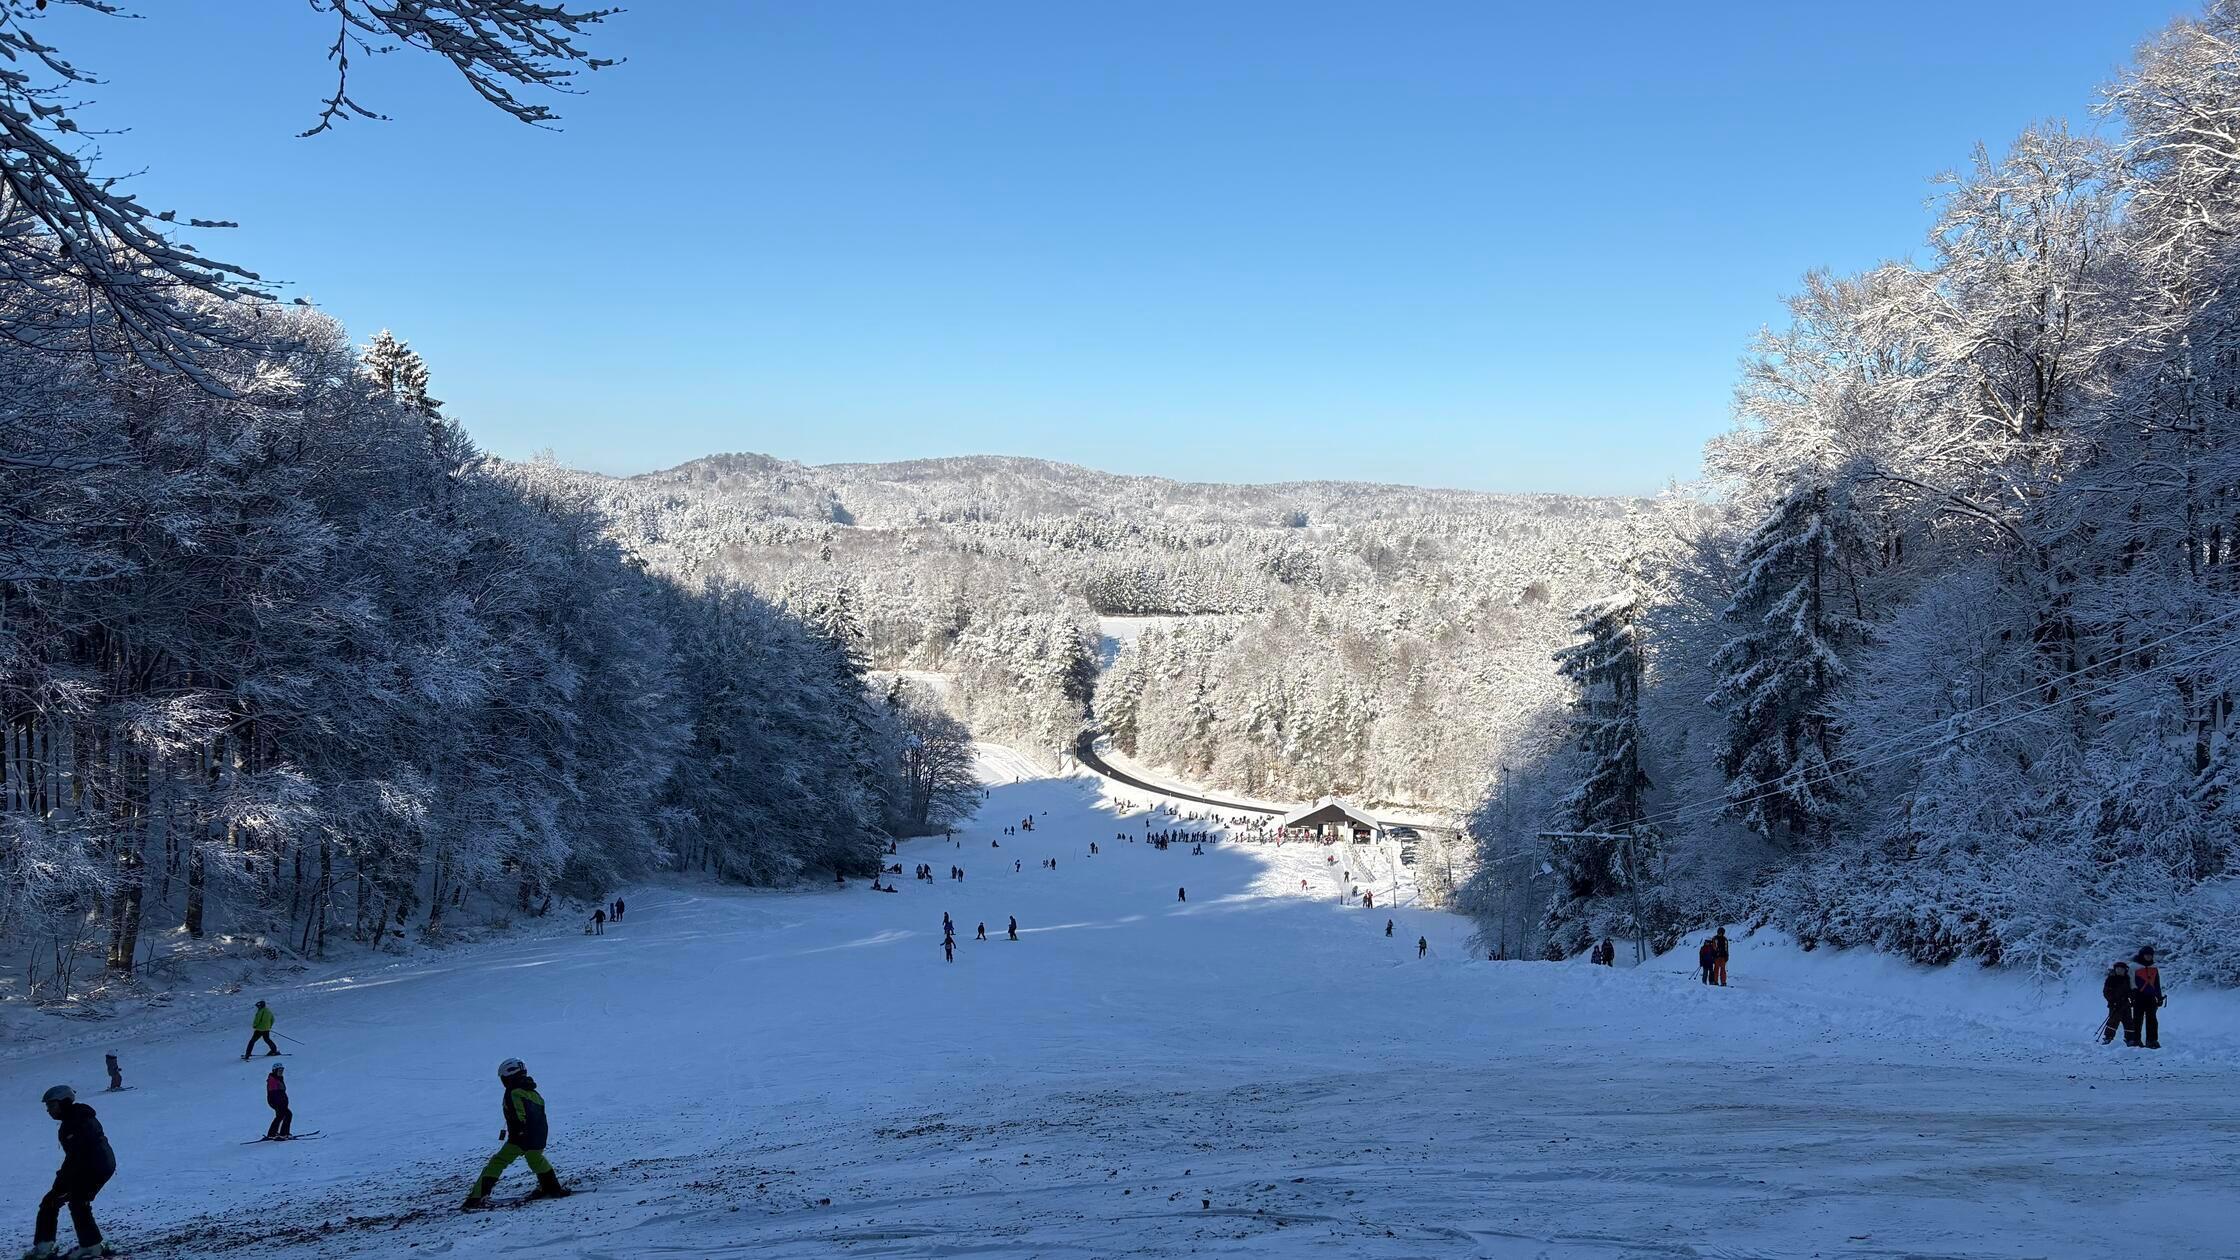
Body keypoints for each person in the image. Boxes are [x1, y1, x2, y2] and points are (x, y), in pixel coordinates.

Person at [463, 1059, 569, 1210]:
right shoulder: (534, 1093)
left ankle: (476, 1198)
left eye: (503, 1078)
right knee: (536, 1160)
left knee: (497, 1162)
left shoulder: (514, 1092)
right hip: (539, 1138)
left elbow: (519, 1115)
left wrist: (519, 1134)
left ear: (509, 1075)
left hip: (521, 1138)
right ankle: (552, 1188)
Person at [28, 1085, 114, 1260]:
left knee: (69, 1202)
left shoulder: (76, 1122)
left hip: (94, 1167)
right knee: (73, 1202)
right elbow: (76, 1157)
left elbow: (78, 1157)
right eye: (47, 1107)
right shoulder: (76, 1118)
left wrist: (61, 1185)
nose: (49, 1111)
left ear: (64, 1102)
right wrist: (63, 1183)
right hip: (99, 1165)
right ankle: (91, 1245)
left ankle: (87, 1247)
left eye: (52, 1105)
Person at [2131, 946, 2164, 1049]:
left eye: (2150, 955)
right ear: (2142, 955)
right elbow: (2130, 982)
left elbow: (2156, 983)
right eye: (2147, 955)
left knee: (2152, 1019)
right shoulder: (2134, 967)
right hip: (2138, 996)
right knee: (2137, 1019)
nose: (2148, 957)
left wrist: (2159, 997)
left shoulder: (2154, 968)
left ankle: (2152, 1040)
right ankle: (2135, 1039)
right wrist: (2131, 996)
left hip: (2150, 997)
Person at [2100, 960, 2133, 1045]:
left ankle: (2129, 1039)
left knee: (2128, 1021)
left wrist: (2132, 999)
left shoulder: (2127, 979)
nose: (2120, 971)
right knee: (2113, 1021)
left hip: (2125, 1004)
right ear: (2115, 969)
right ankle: (2108, 1037)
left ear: (2125, 970)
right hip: (2114, 1005)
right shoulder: (2111, 979)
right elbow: (2106, 992)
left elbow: (2129, 991)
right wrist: (2112, 1001)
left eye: (2121, 969)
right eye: (2118, 969)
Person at [264, 1065, 292, 1140]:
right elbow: (275, 1094)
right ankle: (283, 1134)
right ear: (274, 1071)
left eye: (282, 1071)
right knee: (287, 1115)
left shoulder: (278, 1078)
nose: (281, 1073)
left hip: (280, 1102)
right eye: (279, 1071)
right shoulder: (273, 1080)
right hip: (277, 1102)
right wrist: (281, 1104)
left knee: (281, 1116)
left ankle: (272, 1134)